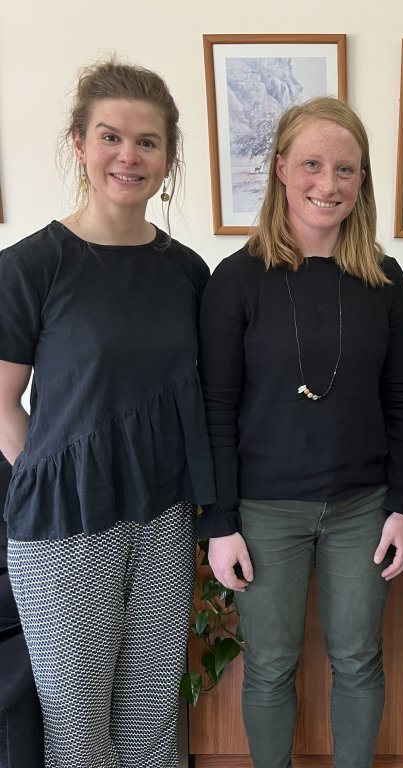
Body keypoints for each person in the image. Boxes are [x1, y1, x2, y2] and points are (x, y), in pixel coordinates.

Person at [0, 60, 215, 768]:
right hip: (64, 524)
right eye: (111, 136)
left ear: (168, 157)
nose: (129, 155)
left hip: (163, 517)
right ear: (79, 143)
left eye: (147, 141)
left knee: (153, 720)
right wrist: (52, 477)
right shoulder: (30, 266)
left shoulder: (188, 272)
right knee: (80, 730)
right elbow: (0, 402)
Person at [198, 96, 403, 768]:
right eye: (313, 165)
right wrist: (220, 522)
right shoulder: (236, 280)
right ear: (280, 170)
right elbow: (216, 409)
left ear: (363, 180)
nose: (329, 184)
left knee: (358, 658)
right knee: (270, 664)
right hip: (265, 511)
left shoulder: (383, 278)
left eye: (345, 169)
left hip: (363, 508)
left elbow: (402, 397)